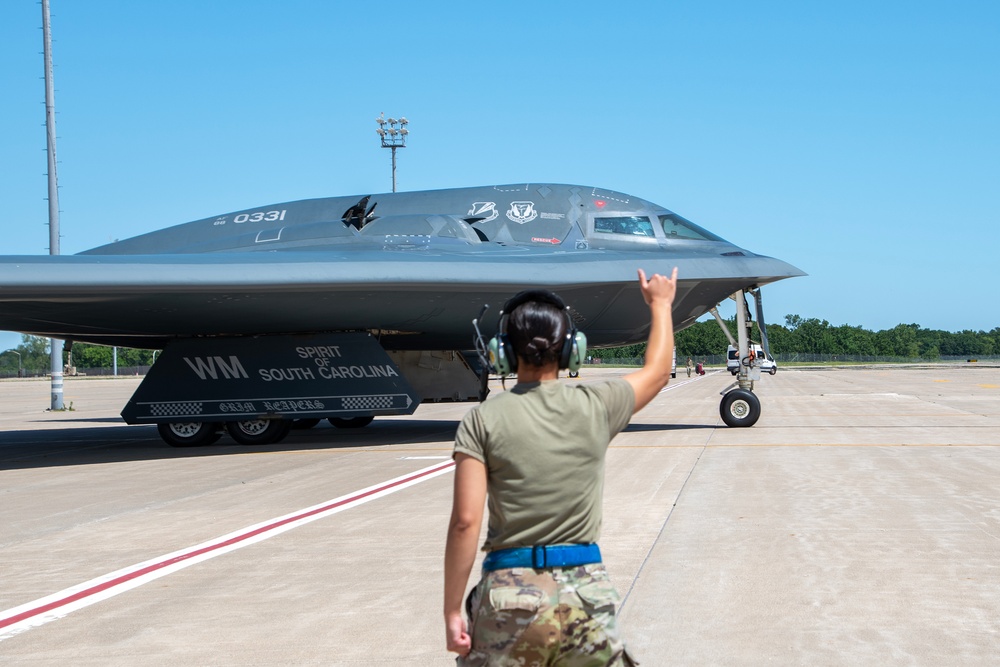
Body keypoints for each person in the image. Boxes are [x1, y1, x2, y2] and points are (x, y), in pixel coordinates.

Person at [444, 267, 678, 666]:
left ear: (502, 351)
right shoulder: (595, 404)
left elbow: (465, 522)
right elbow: (656, 373)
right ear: (573, 349)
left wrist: (452, 611)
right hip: (586, 597)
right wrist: (660, 304)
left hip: (508, 597)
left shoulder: (482, 418)